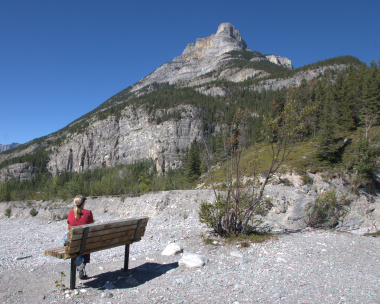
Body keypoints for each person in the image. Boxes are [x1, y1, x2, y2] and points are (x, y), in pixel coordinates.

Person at [67, 195, 94, 279]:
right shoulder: (88, 213)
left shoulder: (70, 213)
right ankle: (82, 263)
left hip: (73, 242)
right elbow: (91, 227)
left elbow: (68, 227)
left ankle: (79, 265)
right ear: (83, 203)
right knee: (85, 242)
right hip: (85, 242)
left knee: (77, 243)